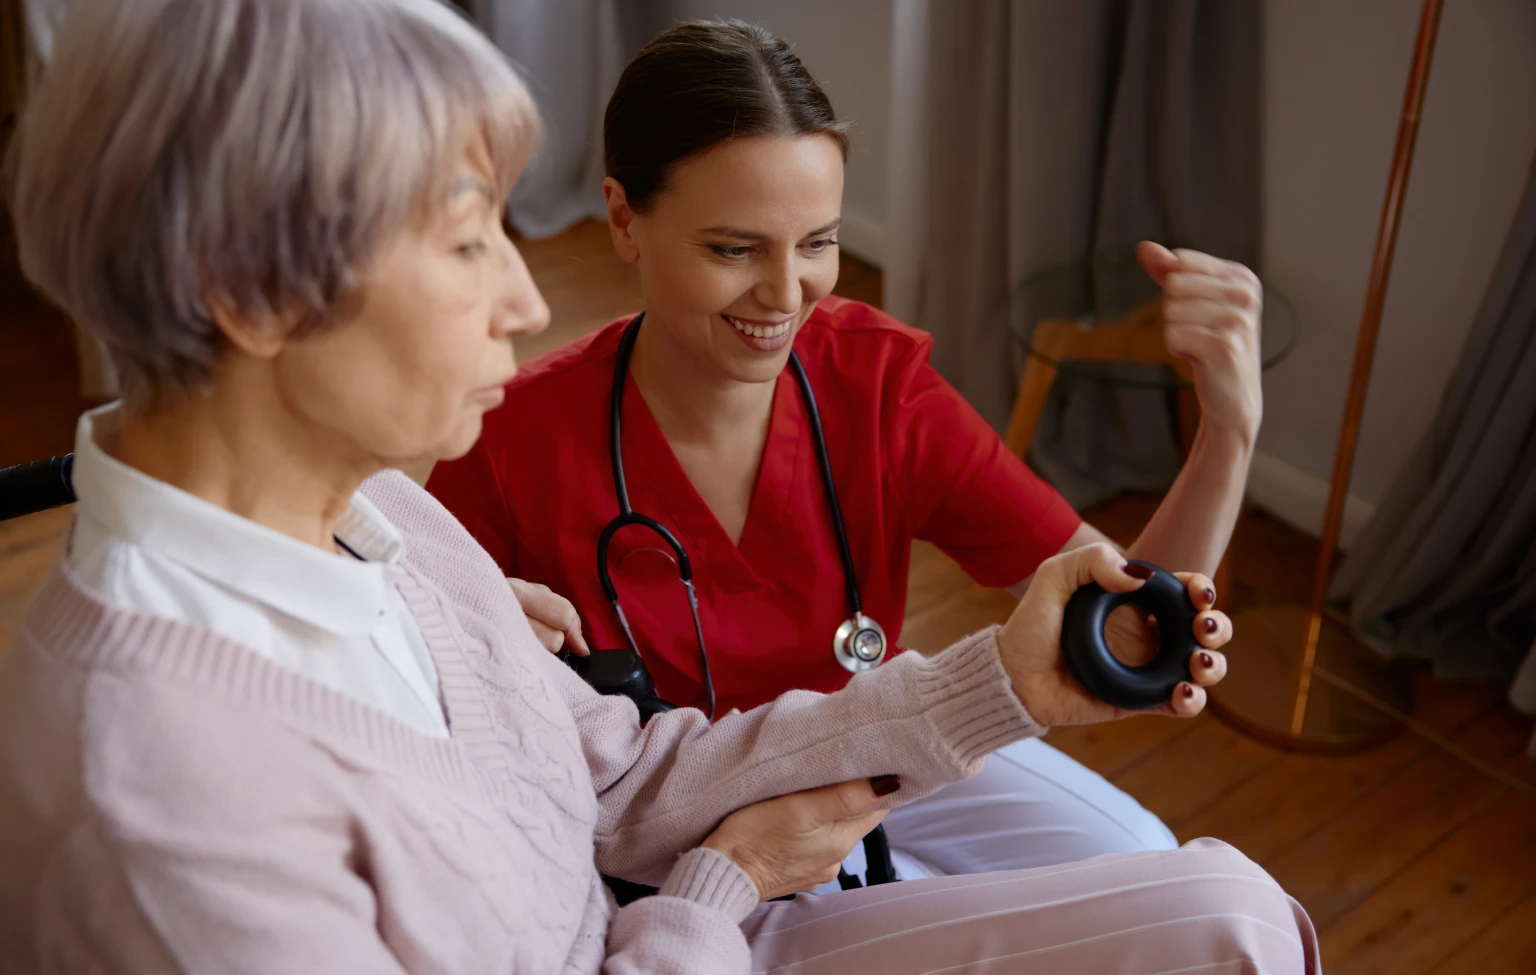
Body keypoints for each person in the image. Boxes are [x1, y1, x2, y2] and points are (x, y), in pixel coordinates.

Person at [0, 1, 1318, 972]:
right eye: (470, 241)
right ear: (252, 290)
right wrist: (719, 882)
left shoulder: (384, 520)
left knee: (1229, 913)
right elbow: (652, 833)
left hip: (703, 883)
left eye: (817, 244)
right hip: (687, 921)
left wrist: (1007, 683)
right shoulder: (168, 798)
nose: (524, 293)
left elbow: (623, 768)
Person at [427, 19, 1266, 886]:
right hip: (687, 810)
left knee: (1142, 862)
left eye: (817, 242)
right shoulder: (502, 446)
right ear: (623, 218)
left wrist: (1228, 429)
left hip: (880, 731)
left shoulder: (875, 383)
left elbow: (1130, 630)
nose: (786, 295)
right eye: (733, 247)